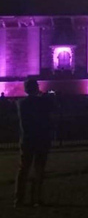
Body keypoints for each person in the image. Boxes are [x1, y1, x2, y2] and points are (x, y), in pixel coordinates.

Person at [14, 78, 54, 208]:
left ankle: (19, 199)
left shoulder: (21, 103)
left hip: (27, 140)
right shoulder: (42, 102)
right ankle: (36, 198)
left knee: (23, 170)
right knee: (39, 170)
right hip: (41, 139)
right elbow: (52, 108)